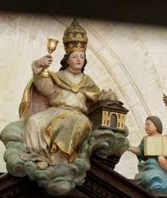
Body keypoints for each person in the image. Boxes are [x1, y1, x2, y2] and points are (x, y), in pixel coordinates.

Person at [20, 19, 118, 169]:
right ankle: (39, 156)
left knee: (78, 122)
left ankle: (59, 159)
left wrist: (107, 95)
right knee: (34, 121)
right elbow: (45, 88)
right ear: (68, 59)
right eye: (75, 56)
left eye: (82, 57)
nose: (79, 60)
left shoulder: (87, 81)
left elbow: (97, 98)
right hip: (55, 111)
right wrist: (39, 67)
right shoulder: (58, 76)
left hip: (76, 114)